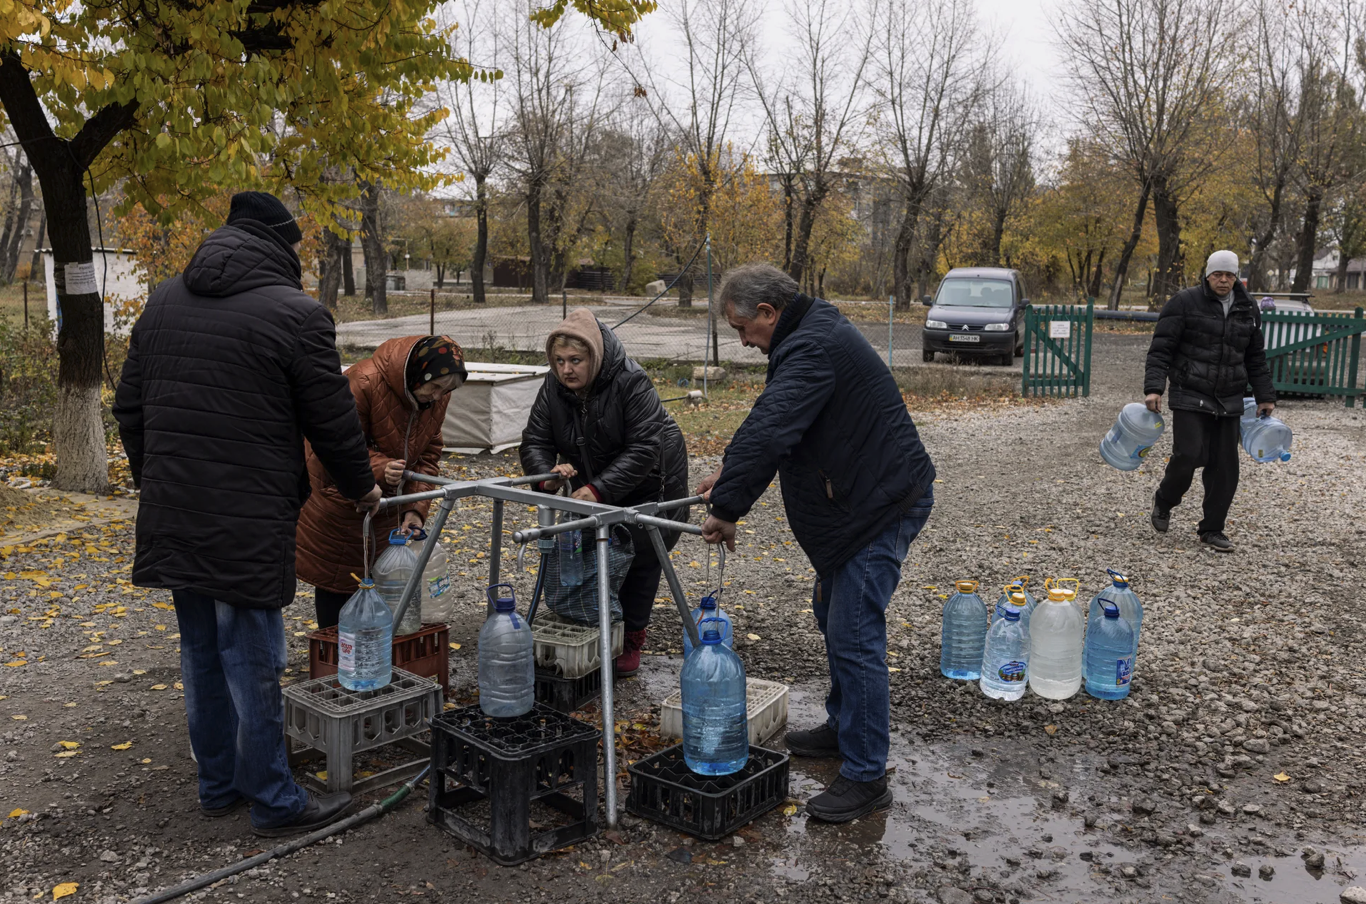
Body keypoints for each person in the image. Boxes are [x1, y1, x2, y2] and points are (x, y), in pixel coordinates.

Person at [113, 191, 382, 837]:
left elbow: (128, 410)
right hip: (246, 519)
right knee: (254, 659)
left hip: (177, 511)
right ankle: (274, 800)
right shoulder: (296, 315)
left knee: (200, 650)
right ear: (282, 246)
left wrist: (163, 480)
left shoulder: (163, 300)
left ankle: (219, 785)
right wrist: (361, 488)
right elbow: (333, 420)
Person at [697, 263, 936, 824]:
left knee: (854, 633)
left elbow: (774, 426)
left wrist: (728, 507)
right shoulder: (809, 336)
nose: (743, 341)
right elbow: (774, 418)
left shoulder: (811, 348)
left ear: (768, 313)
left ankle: (866, 775)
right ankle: (843, 726)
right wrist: (730, 473)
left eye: (742, 328)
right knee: (832, 611)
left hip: (878, 506)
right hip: (858, 502)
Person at [520, 308, 689, 676]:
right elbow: (535, 439)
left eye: (576, 360)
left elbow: (645, 447)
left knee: (642, 551)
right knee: (591, 549)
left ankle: (631, 636)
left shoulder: (631, 380)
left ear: (594, 357)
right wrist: (546, 476)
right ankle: (596, 623)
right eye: (560, 361)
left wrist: (597, 490)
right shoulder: (554, 386)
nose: (567, 370)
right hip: (596, 476)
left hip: (654, 477)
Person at [296, 335, 465, 628]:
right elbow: (333, 444)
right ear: (418, 372)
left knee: (386, 584)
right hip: (341, 499)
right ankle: (336, 654)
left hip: (388, 505)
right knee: (340, 582)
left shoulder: (434, 397)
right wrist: (378, 468)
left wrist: (415, 509)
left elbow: (428, 454)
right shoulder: (363, 382)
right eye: (436, 387)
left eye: (447, 390)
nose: (439, 396)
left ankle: (378, 655)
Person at [1144, 249, 1275, 552]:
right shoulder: (1185, 302)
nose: (1224, 280)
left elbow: (1255, 356)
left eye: (1229, 275)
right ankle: (1165, 500)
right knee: (1189, 454)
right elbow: (1161, 348)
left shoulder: (1247, 308)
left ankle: (1212, 529)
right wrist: (1154, 388)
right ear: (1207, 274)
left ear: (1236, 277)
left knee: (1225, 467)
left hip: (1229, 398)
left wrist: (1265, 395)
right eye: (1218, 274)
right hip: (1190, 392)